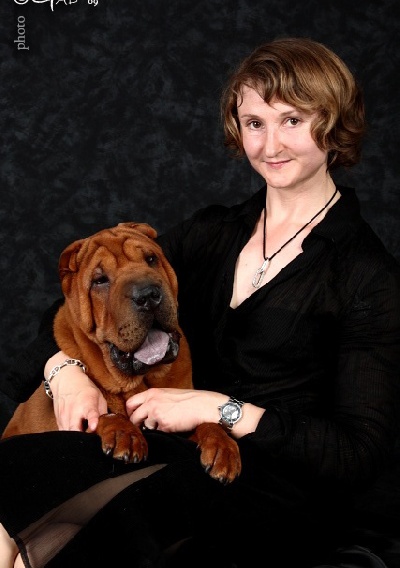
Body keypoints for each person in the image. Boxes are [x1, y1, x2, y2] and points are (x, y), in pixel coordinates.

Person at [0, 37, 399, 568]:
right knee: (14, 489)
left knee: (73, 530)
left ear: (333, 122)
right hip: (181, 457)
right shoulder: (209, 234)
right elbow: (69, 315)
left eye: (292, 120)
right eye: (254, 123)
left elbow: (357, 453)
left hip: (278, 492)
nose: (271, 144)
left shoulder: (367, 274)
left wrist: (220, 409)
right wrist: (65, 371)